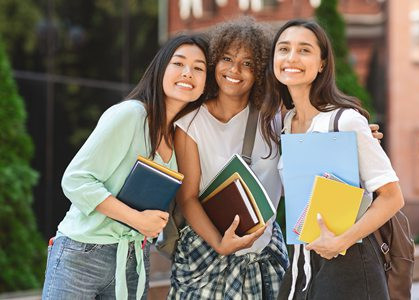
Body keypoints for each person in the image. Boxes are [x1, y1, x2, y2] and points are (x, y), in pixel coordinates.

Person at [42, 34, 209, 300]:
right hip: (84, 254)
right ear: (160, 69)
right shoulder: (131, 115)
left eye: (198, 68)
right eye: (178, 63)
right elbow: (75, 180)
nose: (188, 73)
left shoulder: (181, 135)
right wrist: (137, 220)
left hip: (134, 257)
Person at [261, 19, 405, 300]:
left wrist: (341, 240)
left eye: (304, 50)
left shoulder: (345, 120)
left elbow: (392, 197)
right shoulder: (284, 124)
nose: (292, 58)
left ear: (322, 63)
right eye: (284, 49)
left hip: (349, 264)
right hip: (301, 264)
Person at [168, 18, 289, 299]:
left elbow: (312, 146)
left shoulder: (274, 119)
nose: (235, 70)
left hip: (265, 256)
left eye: (247, 63)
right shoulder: (191, 123)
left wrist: (355, 133)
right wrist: (221, 244)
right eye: (227, 58)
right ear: (213, 64)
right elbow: (187, 198)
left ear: (259, 71)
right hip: (207, 254)